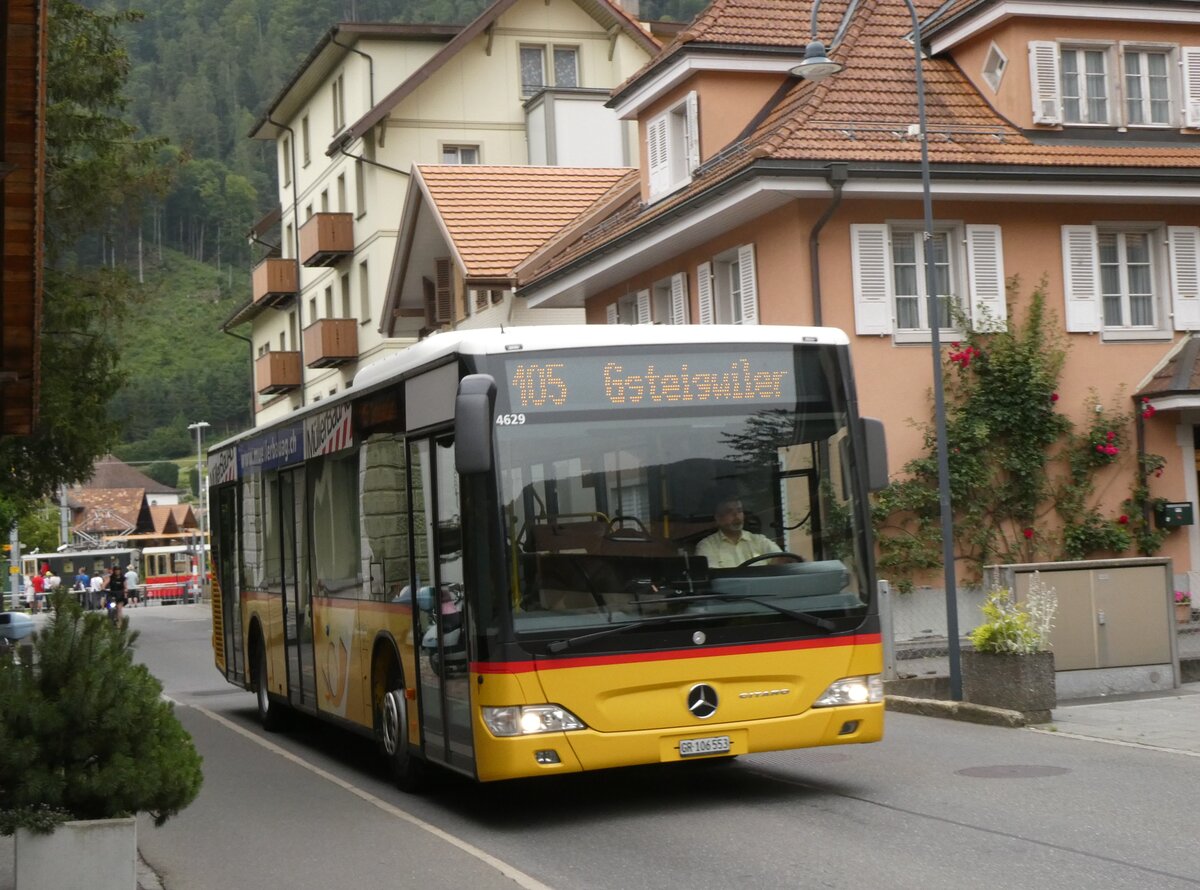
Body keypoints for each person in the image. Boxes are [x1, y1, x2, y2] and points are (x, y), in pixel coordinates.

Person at [694, 495, 782, 569]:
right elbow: (713, 577)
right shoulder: (707, 546)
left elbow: (782, 560)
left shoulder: (759, 541)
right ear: (718, 518)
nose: (736, 516)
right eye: (729, 511)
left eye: (739, 511)